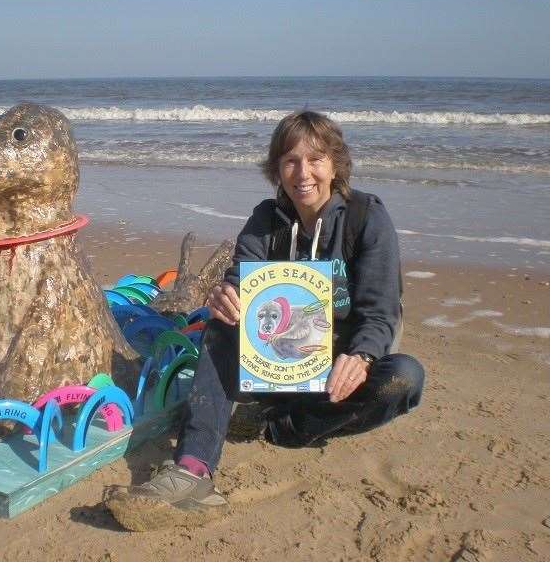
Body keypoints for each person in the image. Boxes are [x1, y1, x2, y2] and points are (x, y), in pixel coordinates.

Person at [106, 111, 425, 530]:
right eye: (291, 160)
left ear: (335, 165)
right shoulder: (265, 219)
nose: (303, 173)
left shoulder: (366, 219)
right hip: (274, 360)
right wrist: (226, 295)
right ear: (277, 168)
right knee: (220, 325)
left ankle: (284, 428)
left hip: (339, 363)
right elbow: (240, 278)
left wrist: (363, 355)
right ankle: (192, 469)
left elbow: (382, 312)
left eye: (316, 159)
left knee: (404, 377)